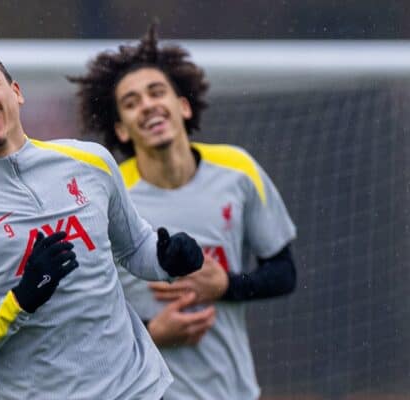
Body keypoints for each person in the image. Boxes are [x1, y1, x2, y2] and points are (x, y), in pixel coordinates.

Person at [0, 47, 206, 400]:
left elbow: (135, 246)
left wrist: (168, 260)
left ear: (16, 92)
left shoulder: (91, 162)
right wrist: (20, 301)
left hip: (142, 389)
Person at [69, 25, 297, 400]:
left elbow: (284, 272)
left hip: (234, 391)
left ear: (183, 106)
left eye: (156, 92)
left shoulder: (238, 171)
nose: (147, 105)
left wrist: (228, 285)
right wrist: (150, 332)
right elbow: (77, 312)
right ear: (121, 130)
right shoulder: (105, 195)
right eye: (131, 102)